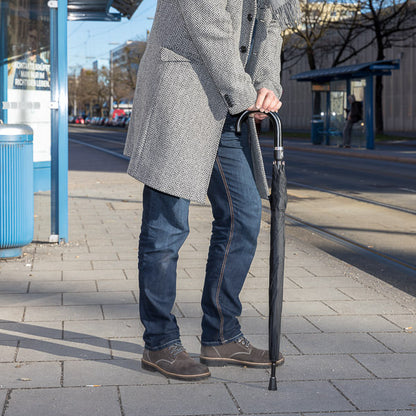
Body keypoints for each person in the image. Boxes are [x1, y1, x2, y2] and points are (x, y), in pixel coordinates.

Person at [124, 0, 300, 381]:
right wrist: (244, 93)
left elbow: (270, 27)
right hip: (183, 94)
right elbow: (205, 20)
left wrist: (267, 83)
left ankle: (221, 334)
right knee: (168, 226)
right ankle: (159, 342)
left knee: (245, 215)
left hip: (229, 109)